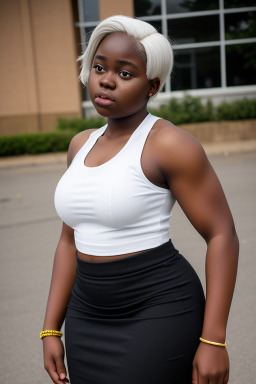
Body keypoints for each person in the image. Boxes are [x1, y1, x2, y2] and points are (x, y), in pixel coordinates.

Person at [41, 15, 239, 384]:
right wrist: (51, 328)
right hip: (87, 311)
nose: (106, 80)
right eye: (99, 67)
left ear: (151, 86)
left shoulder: (169, 144)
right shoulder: (80, 145)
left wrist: (214, 338)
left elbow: (222, 234)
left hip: (158, 307)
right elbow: (69, 240)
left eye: (125, 73)